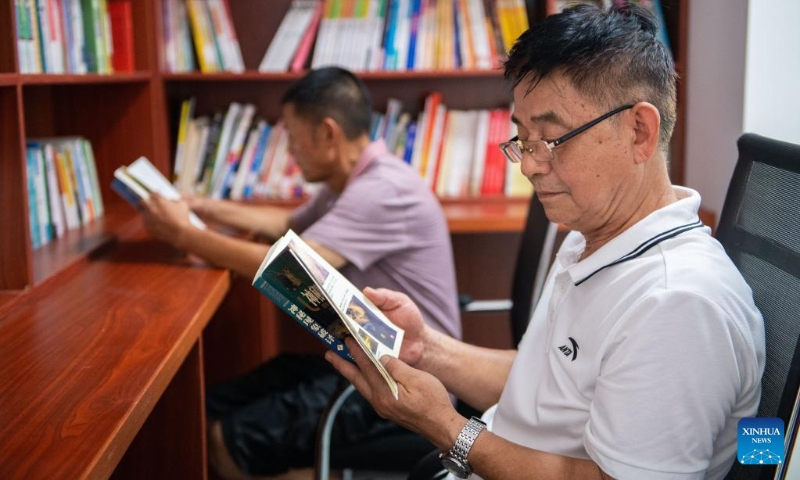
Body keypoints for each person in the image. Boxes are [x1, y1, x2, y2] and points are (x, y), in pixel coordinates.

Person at [327, 5, 765, 480]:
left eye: (551, 139)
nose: (529, 164)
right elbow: (546, 384)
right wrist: (425, 349)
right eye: (522, 137)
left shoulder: (676, 304)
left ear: (640, 131)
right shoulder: (593, 234)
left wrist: (447, 428)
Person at [139, 67, 461, 478]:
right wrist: (198, 206)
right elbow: (283, 228)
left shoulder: (381, 191)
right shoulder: (349, 181)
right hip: (365, 362)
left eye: (291, 136)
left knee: (226, 439)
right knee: (208, 406)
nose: (290, 151)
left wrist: (182, 233)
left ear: (328, 133)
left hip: (406, 383)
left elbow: (289, 267)